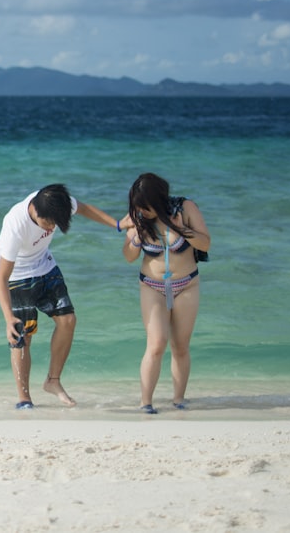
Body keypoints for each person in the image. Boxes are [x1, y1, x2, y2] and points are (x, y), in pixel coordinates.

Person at [0, 184, 119, 409]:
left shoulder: (57, 201)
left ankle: (53, 381)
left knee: (68, 321)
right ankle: (24, 398)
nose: (52, 227)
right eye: (49, 223)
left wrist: (118, 224)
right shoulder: (15, 225)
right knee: (22, 335)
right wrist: (8, 319)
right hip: (18, 275)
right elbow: (1, 278)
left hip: (45, 266)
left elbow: (84, 209)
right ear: (35, 211)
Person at [121, 173, 211, 414]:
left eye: (146, 206)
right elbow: (129, 257)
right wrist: (136, 240)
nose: (142, 211)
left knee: (180, 345)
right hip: (152, 286)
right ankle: (145, 402)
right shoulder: (137, 218)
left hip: (187, 284)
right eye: (138, 206)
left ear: (159, 200)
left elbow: (205, 243)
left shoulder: (185, 208)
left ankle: (179, 399)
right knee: (156, 343)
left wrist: (183, 230)